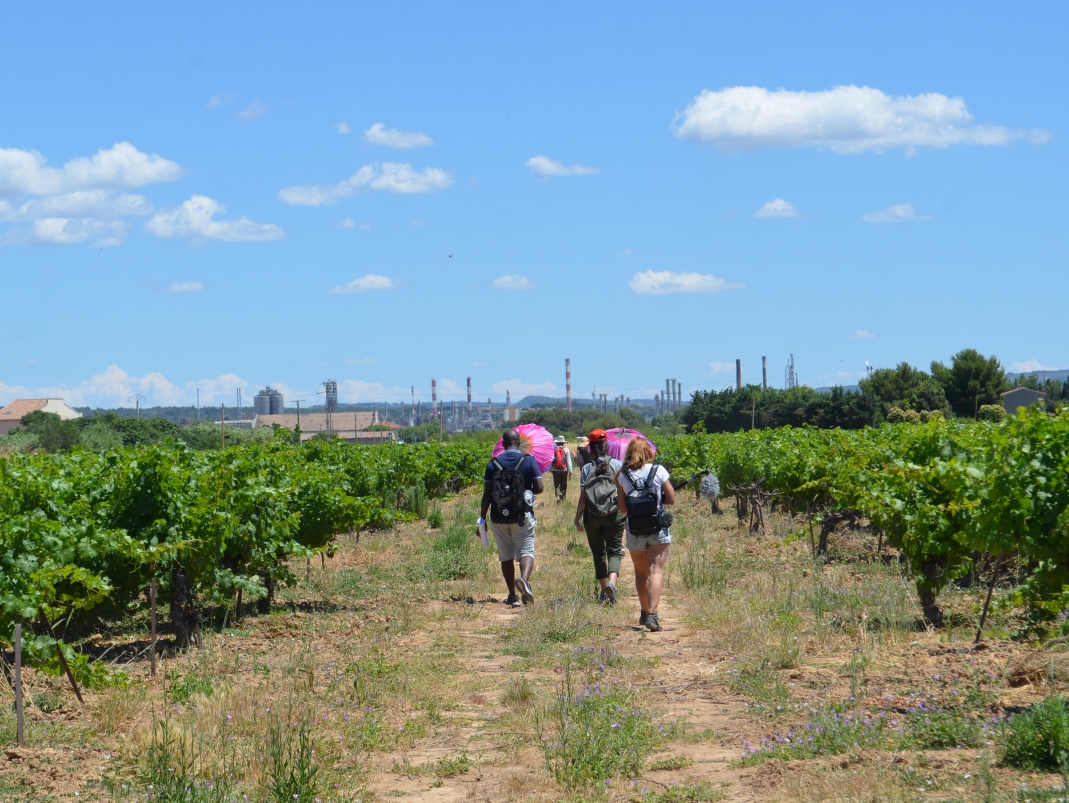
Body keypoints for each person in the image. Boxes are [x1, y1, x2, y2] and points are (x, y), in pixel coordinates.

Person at [616, 437, 675, 632]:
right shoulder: (659, 470)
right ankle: (652, 614)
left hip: (635, 530)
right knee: (655, 571)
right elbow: (672, 499)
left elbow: (623, 508)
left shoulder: (623, 475)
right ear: (648, 452)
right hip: (657, 528)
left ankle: (644, 612)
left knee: (641, 574)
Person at [480, 429, 544, 607]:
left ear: (503, 443)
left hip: (498, 516)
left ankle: (512, 595)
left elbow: (487, 494)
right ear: (519, 442)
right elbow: (539, 487)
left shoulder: (493, 464)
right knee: (526, 551)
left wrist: (482, 518)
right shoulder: (528, 460)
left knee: (505, 556)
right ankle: (523, 579)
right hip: (522, 514)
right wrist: (526, 487)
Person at [573, 429, 626, 604]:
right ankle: (612, 583)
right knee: (615, 551)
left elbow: (583, 498)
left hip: (592, 516)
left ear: (591, 448)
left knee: (598, 553)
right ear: (607, 446)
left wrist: (577, 518)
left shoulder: (586, 468)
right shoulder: (617, 465)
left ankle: (604, 591)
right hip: (614, 515)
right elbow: (623, 492)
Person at [550, 435, 573, 503]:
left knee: (557, 484)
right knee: (563, 483)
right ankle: (563, 497)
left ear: (557, 442)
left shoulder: (554, 449)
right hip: (564, 470)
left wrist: (551, 468)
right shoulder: (566, 450)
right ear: (563, 442)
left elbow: (552, 460)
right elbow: (568, 461)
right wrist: (570, 472)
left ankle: (558, 497)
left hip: (555, 470)